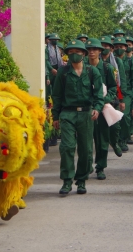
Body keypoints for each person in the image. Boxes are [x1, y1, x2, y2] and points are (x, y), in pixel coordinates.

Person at [52, 40, 104, 196]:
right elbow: (57, 95)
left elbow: (99, 94)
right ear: (68, 54)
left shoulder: (92, 72)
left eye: (78, 51)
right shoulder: (63, 72)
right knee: (67, 147)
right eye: (71, 51)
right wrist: (55, 116)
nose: (75, 54)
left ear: (84, 54)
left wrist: (97, 108)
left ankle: (81, 180)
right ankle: (67, 181)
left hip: (86, 114)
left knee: (86, 149)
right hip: (67, 114)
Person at [85, 38, 123, 180]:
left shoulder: (107, 68)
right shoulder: (82, 67)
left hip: (104, 108)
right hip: (87, 108)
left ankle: (100, 167)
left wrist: (103, 101)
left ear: (100, 51)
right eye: (89, 50)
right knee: (86, 140)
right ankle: (87, 165)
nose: (92, 52)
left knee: (102, 140)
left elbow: (113, 88)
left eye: (94, 49)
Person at [99, 35, 126, 159]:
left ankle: (115, 142)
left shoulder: (116, 62)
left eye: (107, 46)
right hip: (97, 100)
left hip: (112, 98)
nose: (104, 48)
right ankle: (100, 164)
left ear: (111, 48)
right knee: (100, 132)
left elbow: (121, 81)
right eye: (102, 46)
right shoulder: (92, 61)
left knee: (115, 126)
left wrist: (121, 99)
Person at [113, 37, 133, 151]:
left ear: (126, 48)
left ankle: (123, 139)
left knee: (125, 117)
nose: (119, 49)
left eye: (121, 47)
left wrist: (132, 95)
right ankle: (116, 140)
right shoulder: (111, 60)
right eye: (116, 47)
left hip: (127, 93)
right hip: (113, 92)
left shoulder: (131, 61)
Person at [45, 33, 66, 146]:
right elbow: (46, 61)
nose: (55, 41)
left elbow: (61, 60)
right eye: (53, 40)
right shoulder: (46, 49)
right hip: (51, 71)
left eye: (57, 39)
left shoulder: (57, 49)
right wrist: (51, 70)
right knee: (51, 94)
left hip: (58, 70)